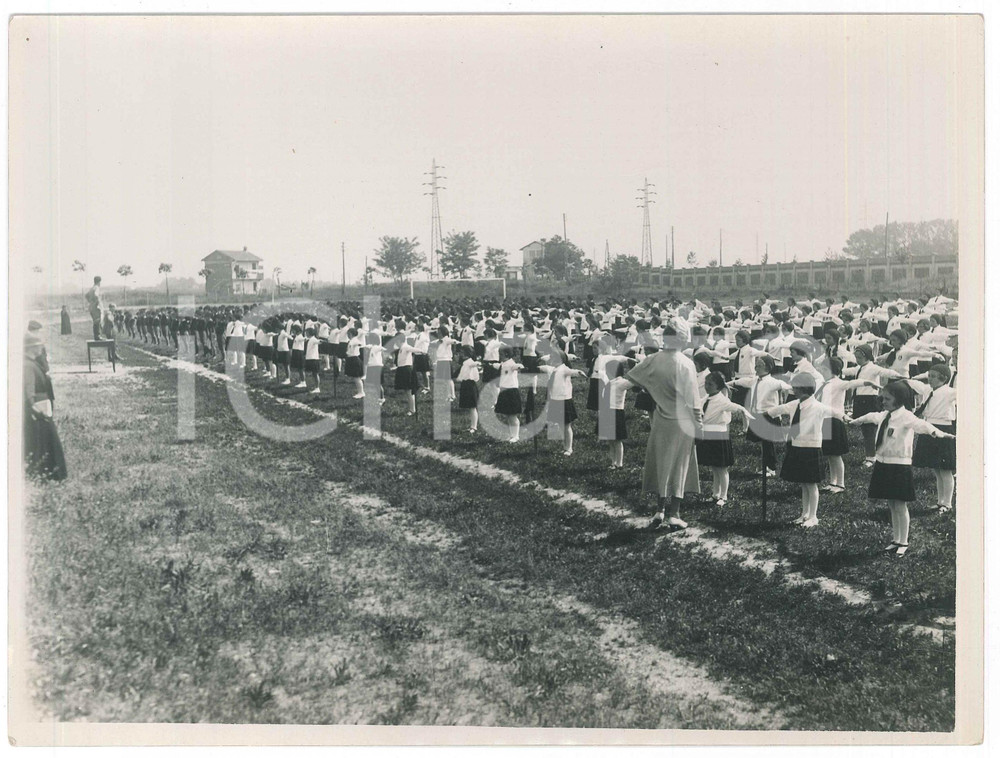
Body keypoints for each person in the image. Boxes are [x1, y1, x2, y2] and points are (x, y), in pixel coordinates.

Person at [849, 380, 955, 557]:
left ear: (899, 399)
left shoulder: (906, 416)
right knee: (891, 503)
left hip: (899, 466)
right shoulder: (885, 415)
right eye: (883, 399)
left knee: (900, 504)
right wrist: (855, 421)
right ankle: (895, 539)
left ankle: (903, 541)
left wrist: (940, 433)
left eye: (887, 399)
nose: (883, 402)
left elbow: (923, 426)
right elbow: (870, 417)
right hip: (883, 463)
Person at [625, 326, 702, 530]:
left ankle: (659, 510)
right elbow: (694, 399)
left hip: (660, 418)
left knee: (661, 461)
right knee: (679, 463)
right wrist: (699, 423)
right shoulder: (686, 364)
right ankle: (674, 513)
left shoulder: (653, 359)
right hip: (682, 420)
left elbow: (632, 378)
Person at [765, 373, 843, 528]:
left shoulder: (819, 407)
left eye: (795, 387)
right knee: (803, 483)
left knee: (811, 484)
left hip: (812, 449)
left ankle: (813, 516)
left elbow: (836, 413)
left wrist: (847, 417)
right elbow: (776, 410)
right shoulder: (794, 404)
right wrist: (763, 415)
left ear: (803, 389)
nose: (793, 389)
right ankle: (804, 514)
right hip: (797, 447)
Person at [698, 371, 754, 506]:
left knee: (722, 468)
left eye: (710, 384)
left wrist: (748, 415)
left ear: (718, 386)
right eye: (706, 383)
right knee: (714, 467)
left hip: (719, 437)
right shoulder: (706, 397)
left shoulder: (722, 400)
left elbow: (737, 407)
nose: (706, 386)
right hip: (708, 436)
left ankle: (724, 496)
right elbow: (697, 406)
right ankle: (715, 494)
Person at [907, 363, 958, 513]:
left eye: (934, 377)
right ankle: (940, 501)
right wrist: (903, 379)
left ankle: (947, 504)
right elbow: (915, 384)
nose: (930, 379)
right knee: (936, 468)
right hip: (929, 428)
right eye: (929, 376)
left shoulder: (950, 392)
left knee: (945, 469)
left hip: (944, 428)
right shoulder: (928, 389)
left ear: (944, 378)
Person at [24, 333, 67, 481]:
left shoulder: (31, 363)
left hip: (41, 408)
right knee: (44, 443)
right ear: (31, 348)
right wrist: (34, 408)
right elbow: (29, 391)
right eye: (38, 346)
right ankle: (48, 476)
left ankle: (47, 475)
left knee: (44, 443)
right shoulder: (28, 365)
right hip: (38, 410)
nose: (41, 348)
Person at [492, 346, 525, 443]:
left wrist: (520, 366)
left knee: (512, 416)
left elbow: (516, 366)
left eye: (500, 354)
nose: (499, 356)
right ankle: (512, 435)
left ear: (506, 354)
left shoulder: (511, 364)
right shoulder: (503, 364)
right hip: (504, 391)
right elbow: (499, 366)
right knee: (508, 415)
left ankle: (516, 436)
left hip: (511, 392)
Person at [85, 276, 103, 341]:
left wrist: (90, 301)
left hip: (91, 307)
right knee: (97, 321)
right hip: (95, 307)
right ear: (99, 282)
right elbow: (96, 295)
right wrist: (97, 302)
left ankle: (96, 336)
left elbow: (86, 295)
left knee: (95, 321)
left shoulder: (91, 288)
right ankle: (97, 336)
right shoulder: (96, 288)